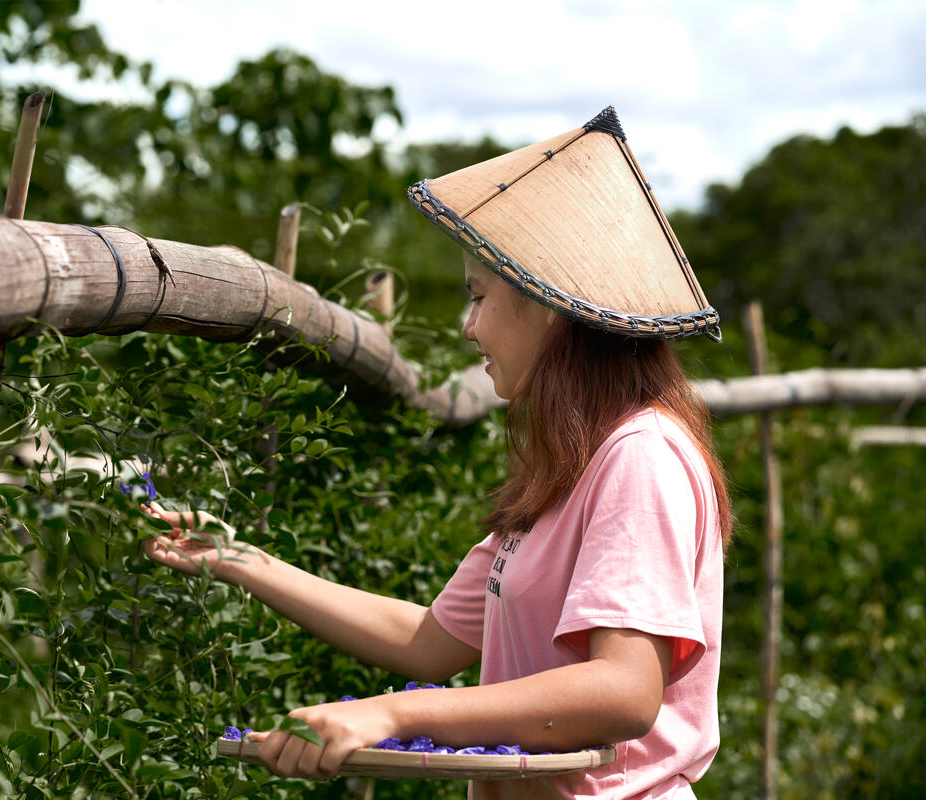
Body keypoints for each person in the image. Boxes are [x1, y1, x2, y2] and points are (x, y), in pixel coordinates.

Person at [143, 106, 732, 799]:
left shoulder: (641, 456)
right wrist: (241, 560)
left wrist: (393, 711)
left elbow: (625, 690)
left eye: (480, 297)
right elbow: (429, 640)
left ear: (547, 307)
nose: (468, 326)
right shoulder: (570, 466)